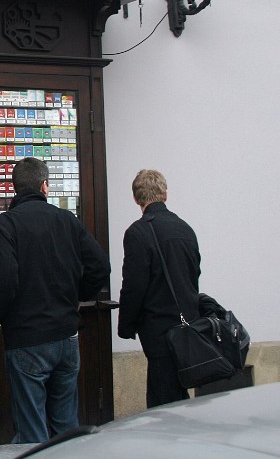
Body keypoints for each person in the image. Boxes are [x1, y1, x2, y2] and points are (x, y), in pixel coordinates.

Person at [0, 157, 110, 444]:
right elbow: (101, 266)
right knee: (66, 427)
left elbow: (4, 279)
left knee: (32, 430)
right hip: (66, 335)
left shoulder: (5, 224)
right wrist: (77, 295)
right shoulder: (67, 220)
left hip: (27, 338)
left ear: (14, 188)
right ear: (44, 186)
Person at [117, 169, 201, 408]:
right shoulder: (185, 228)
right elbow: (194, 272)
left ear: (136, 198)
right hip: (187, 324)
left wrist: (126, 325)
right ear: (165, 194)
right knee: (179, 392)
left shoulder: (138, 232)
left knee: (162, 399)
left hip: (157, 328)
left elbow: (134, 285)